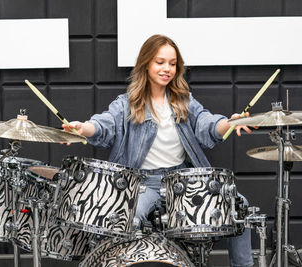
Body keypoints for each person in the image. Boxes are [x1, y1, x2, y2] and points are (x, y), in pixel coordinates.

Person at [63, 34, 253, 267]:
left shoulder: (184, 101)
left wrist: (230, 123)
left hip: (181, 182)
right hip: (142, 184)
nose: (167, 69)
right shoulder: (126, 103)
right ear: (146, 64)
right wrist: (84, 128)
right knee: (122, 219)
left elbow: (208, 124)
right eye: (160, 62)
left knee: (239, 206)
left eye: (173, 64)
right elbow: (105, 124)